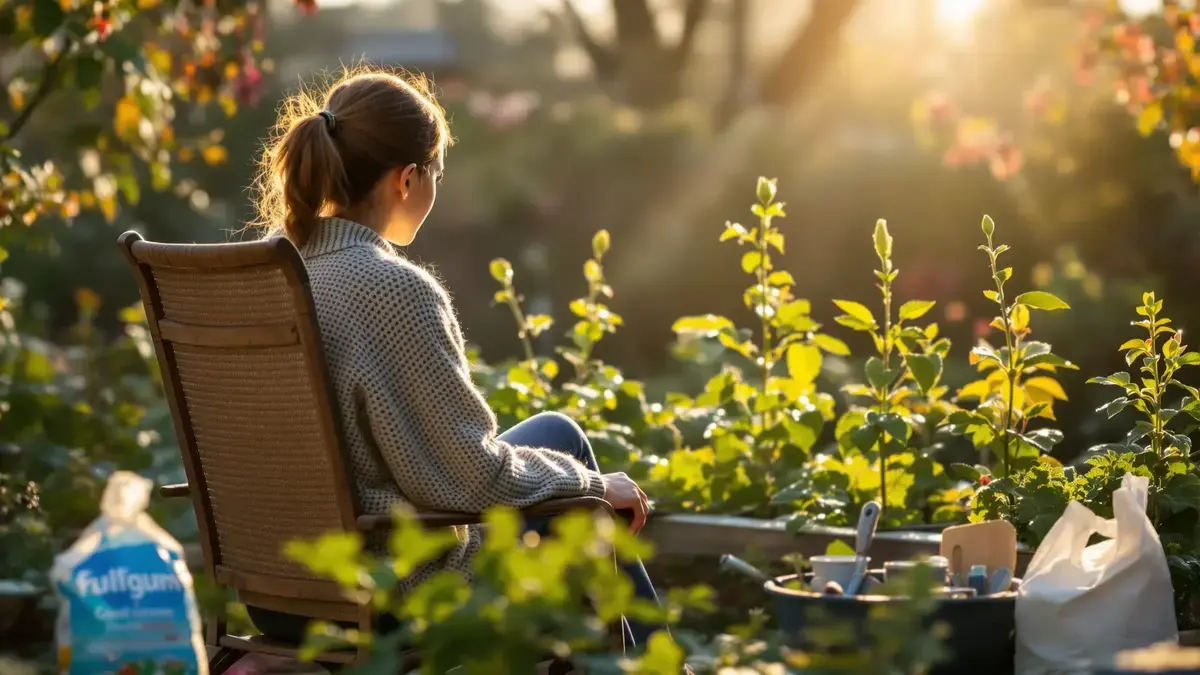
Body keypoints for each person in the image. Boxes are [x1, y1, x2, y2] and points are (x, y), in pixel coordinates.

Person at [246, 66, 665, 651]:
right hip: (386, 588)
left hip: (272, 591)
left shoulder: (265, 279)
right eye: (437, 173)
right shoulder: (393, 291)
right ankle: (658, 663)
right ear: (407, 179)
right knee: (576, 476)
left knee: (556, 433)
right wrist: (593, 484)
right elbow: (474, 480)